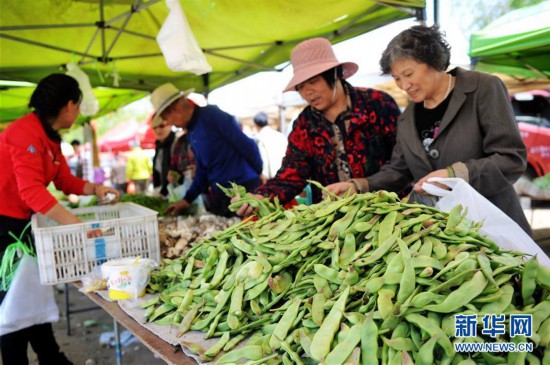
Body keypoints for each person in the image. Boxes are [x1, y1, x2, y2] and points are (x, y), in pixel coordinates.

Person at [326, 25, 531, 234]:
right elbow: (398, 171)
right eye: (397, 78)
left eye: (408, 73)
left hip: (495, 227)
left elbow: (510, 159)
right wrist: (359, 185)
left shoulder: (482, 89)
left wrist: (453, 175)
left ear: (432, 61)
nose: (404, 85)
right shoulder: (407, 118)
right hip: (447, 236)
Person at [0, 73, 120, 364]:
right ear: (69, 105)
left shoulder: (50, 138)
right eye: (78, 107)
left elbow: (65, 181)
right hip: (4, 226)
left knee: (31, 295)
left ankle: (51, 356)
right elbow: (31, 191)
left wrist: (95, 188)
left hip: (22, 223)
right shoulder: (24, 133)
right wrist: (79, 227)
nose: (77, 113)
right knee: (13, 303)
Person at [235, 37, 400, 216]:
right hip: (332, 222)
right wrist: (261, 196)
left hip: (388, 210)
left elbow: (402, 163)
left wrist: (361, 185)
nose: (307, 92)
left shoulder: (377, 104)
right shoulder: (304, 126)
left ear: (334, 74)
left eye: (313, 82)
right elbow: (291, 177)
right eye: (301, 86)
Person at [150, 83, 263, 217]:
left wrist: (258, 174)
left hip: (244, 189)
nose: (168, 123)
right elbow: (202, 169)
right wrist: (186, 200)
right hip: (222, 194)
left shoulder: (211, 115)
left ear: (174, 109)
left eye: (165, 118)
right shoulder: (191, 131)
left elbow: (246, 144)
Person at [252, 111, 288, 182]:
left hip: (272, 180)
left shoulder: (259, 139)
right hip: (286, 176)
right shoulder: (281, 136)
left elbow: (263, 162)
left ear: (255, 125)